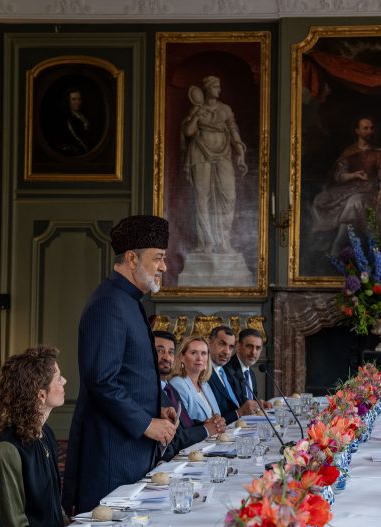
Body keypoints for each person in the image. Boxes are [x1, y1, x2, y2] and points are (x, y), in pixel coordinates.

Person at [62, 215, 177, 515]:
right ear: (131, 258)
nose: (164, 267)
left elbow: (134, 372)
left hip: (131, 450)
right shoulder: (108, 304)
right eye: (158, 258)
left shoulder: (130, 300)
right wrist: (147, 424)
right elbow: (101, 381)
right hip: (112, 457)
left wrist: (160, 404)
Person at [0, 346, 67, 527]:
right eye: (59, 379)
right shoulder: (6, 450)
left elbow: (54, 507)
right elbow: (12, 522)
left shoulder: (46, 434)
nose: (65, 381)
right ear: (41, 394)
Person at [310, 117, 381, 255]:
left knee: (354, 201)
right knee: (321, 200)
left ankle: (338, 246)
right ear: (357, 131)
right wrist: (354, 175)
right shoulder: (349, 153)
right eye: (365, 128)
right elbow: (339, 175)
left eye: (372, 128)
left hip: (371, 191)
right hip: (348, 189)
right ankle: (324, 241)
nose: (370, 131)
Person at [181, 76, 247, 254]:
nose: (219, 90)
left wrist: (240, 150)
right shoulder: (198, 109)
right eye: (216, 86)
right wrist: (196, 113)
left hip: (223, 154)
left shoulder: (225, 109)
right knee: (202, 198)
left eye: (219, 86)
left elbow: (233, 130)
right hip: (200, 154)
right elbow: (188, 132)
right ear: (207, 89)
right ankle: (207, 242)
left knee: (229, 195)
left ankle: (224, 240)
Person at [154, 330, 224, 462]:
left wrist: (208, 424)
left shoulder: (170, 388)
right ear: (181, 357)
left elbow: (185, 424)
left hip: (192, 450)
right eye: (159, 350)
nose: (166, 357)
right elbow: (174, 439)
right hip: (172, 459)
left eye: (170, 352)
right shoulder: (176, 384)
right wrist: (205, 429)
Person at [207, 325, 258, 424]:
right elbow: (214, 416)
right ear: (209, 343)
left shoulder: (226, 371)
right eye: (222, 344)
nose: (227, 351)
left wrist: (256, 405)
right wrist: (239, 412)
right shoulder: (203, 373)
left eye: (231, 347)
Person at [168, 336, 222, 423]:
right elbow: (183, 423)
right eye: (193, 353)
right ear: (182, 357)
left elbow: (218, 415)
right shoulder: (177, 384)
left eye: (203, 353)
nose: (199, 358)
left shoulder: (204, 384)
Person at [224, 328, 271, 408]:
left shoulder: (251, 373)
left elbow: (248, 402)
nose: (253, 352)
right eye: (249, 346)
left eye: (258, 348)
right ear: (239, 346)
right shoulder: (226, 370)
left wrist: (258, 404)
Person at [58, 87, 90, 156]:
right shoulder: (66, 119)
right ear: (68, 101)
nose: (77, 102)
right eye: (74, 99)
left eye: (79, 99)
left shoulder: (83, 116)